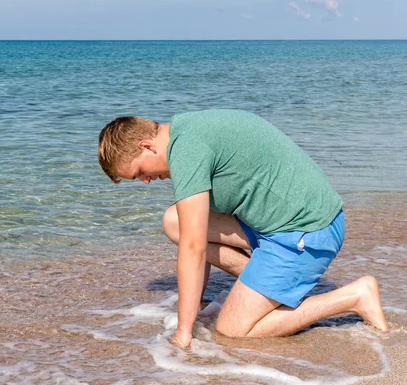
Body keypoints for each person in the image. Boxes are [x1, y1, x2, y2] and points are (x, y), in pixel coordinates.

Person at [98, 109, 389, 348]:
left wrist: (183, 333)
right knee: (175, 220)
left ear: (145, 146)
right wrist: (196, 306)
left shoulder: (186, 152)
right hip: (275, 223)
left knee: (232, 329)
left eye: (139, 173)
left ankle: (354, 296)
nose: (146, 181)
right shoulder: (185, 130)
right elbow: (193, 231)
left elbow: (193, 248)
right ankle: (261, 284)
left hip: (308, 231)